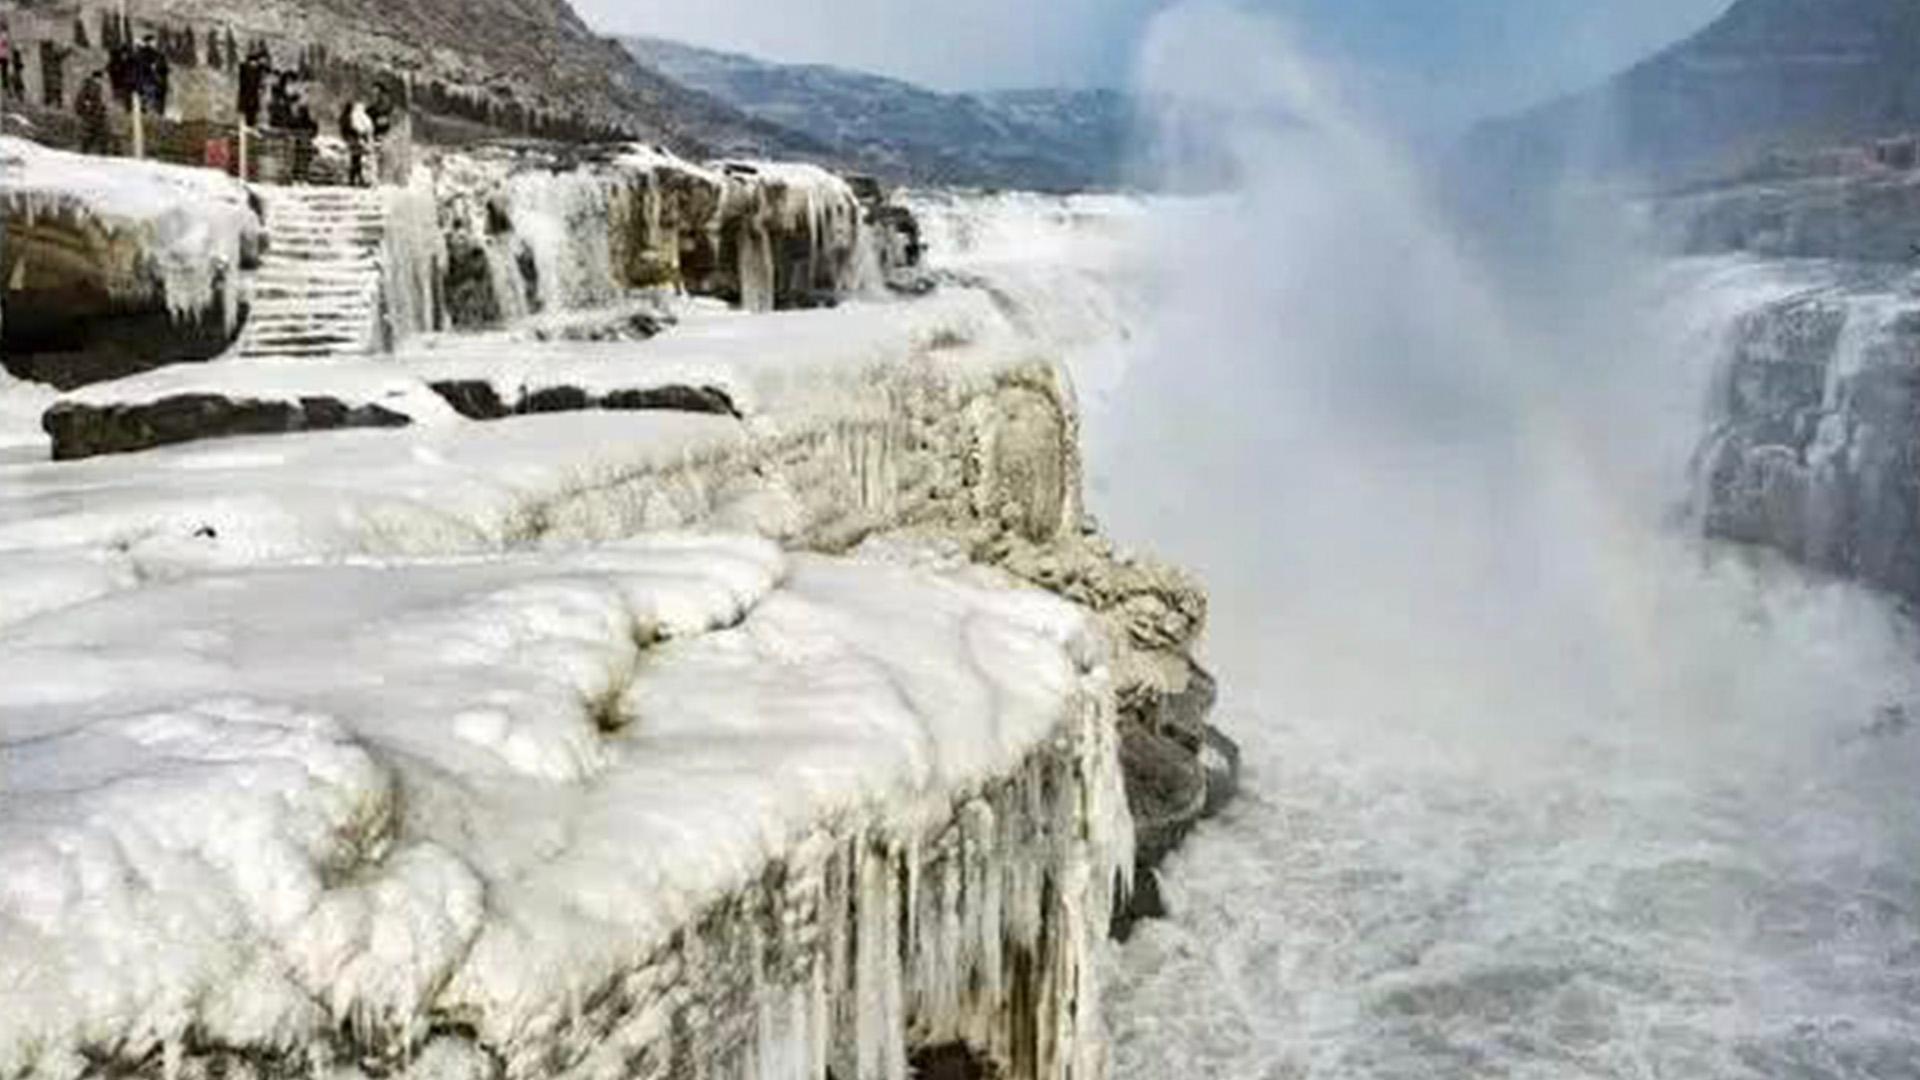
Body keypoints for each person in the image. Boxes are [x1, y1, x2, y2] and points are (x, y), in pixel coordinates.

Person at [75, 70, 110, 154]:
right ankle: (87, 153)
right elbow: (84, 100)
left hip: (95, 115)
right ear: (96, 78)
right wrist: (89, 109)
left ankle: (89, 153)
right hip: (92, 115)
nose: (101, 81)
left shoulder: (93, 87)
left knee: (97, 136)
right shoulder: (91, 87)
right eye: (100, 78)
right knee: (92, 136)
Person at [340, 98, 373, 187]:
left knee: (355, 160)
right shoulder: (351, 117)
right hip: (356, 140)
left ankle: (354, 179)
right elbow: (356, 128)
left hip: (353, 140)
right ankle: (359, 179)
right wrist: (362, 134)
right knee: (358, 160)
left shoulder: (346, 116)